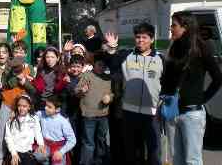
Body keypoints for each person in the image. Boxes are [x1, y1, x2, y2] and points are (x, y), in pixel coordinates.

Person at [162, 11, 222, 165]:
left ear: (185, 27)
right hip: (172, 112)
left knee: (192, 160)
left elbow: (218, 78)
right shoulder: (173, 48)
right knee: (177, 159)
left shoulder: (201, 48)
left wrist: (202, 98)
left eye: (174, 25)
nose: (171, 28)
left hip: (192, 114)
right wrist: (163, 97)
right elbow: (166, 79)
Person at [104, 22, 164, 165]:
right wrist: (112, 48)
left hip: (152, 113)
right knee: (131, 153)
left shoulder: (160, 59)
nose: (140, 40)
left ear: (152, 39)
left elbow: (168, 82)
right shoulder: (126, 55)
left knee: (154, 153)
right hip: (129, 113)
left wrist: (163, 99)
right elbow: (111, 63)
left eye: (144, 37)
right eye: (138, 37)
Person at [0, 57, 36, 165]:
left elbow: (33, 90)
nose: (16, 70)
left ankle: (16, 156)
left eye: (18, 68)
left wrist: (24, 81)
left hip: (22, 105)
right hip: (7, 103)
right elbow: (7, 84)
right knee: (1, 132)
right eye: (14, 69)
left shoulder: (30, 69)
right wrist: (18, 77)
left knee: (19, 132)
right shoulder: (8, 70)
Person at [76, 57, 113, 165]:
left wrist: (109, 98)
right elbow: (76, 91)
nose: (101, 67)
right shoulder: (87, 75)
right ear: (94, 64)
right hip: (88, 115)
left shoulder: (108, 78)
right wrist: (81, 91)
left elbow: (112, 93)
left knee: (101, 140)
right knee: (88, 142)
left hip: (103, 115)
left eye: (103, 65)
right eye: (99, 65)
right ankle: (86, 162)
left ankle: (99, 161)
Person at [54, 54, 84, 163]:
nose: (75, 69)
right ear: (70, 66)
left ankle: (77, 159)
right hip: (66, 113)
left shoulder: (84, 78)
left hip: (79, 113)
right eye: (73, 66)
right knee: (67, 138)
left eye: (78, 66)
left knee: (78, 138)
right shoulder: (66, 78)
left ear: (83, 67)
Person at [4, 95, 46, 165]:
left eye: (24, 106)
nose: (21, 108)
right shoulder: (11, 120)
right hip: (15, 151)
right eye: (19, 106)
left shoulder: (34, 119)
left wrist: (41, 144)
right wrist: (13, 153)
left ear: (29, 107)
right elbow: (8, 138)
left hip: (28, 152)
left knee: (43, 156)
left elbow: (38, 132)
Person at [37, 95, 76, 165]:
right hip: (45, 145)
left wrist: (61, 152)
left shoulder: (63, 122)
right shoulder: (42, 114)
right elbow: (31, 116)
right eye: (46, 105)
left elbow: (72, 140)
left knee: (58, 161)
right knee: (38, 156)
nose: (46, 108)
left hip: (58, 147)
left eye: (49, 107)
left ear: (57, 110)